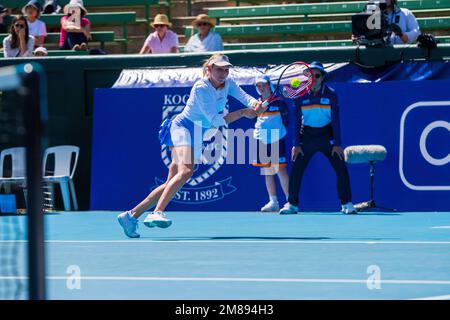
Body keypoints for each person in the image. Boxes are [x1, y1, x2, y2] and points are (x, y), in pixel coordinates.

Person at [117, 54, 263, 238]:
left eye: (226, 69)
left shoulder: (229, 82)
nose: (223, 72)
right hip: (182, 128)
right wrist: (243, 112)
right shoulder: (201, 88)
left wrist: (254, 104)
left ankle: (130, 216)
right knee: (186, 171)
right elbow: (216, 121)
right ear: (209, 69)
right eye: (219, 68)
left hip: (198, 132)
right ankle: (157, 212)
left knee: (171, 183)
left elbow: (244, 96)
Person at [279, 62, 357, 215]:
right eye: (310, 75)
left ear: (322, 77)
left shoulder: (331, 94)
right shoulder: (299, 95)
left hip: (327, 135)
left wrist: (337, 143)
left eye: (317, 75)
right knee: (296, 169)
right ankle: (292, 204)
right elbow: (296, 120)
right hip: (306, 136)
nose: (314, 78)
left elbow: (335, 120)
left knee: (341, 168)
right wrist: (297, 143)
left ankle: (346, 203)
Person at [252, 75, 290, 212]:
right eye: (258, 86)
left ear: (269, 85)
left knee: (280, 170)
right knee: (267, 171)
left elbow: (286, 121)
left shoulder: (279, 103)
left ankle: (290, 201)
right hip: (261, 138)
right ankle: (273, 201)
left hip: (276, 138)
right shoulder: (255, 104)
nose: (261, 88)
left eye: (263, 85)